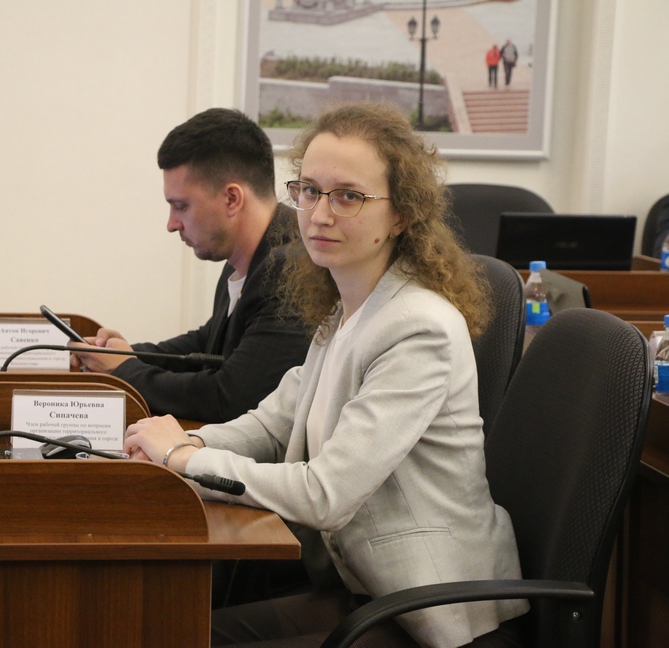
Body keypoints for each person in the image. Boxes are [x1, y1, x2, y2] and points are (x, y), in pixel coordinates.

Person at [122, 102, 529, 647]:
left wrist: (183, 458)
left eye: (348, 196)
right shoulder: (345, 310)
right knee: (180, 631)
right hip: (363, 586)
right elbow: (272, 424)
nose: (318, 215)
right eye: (309, 191)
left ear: (401, 214)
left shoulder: (419, 329)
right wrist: (185, 444)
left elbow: (326, 493)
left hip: (429, 608)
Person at [69, 108, 311, 424]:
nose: (172, 224)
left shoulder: (290, 272)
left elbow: (228, 398)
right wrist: (125, 354)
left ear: (232, 199)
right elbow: (209, 342)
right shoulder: (247, 257)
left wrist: (123, 370)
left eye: (181, 206)